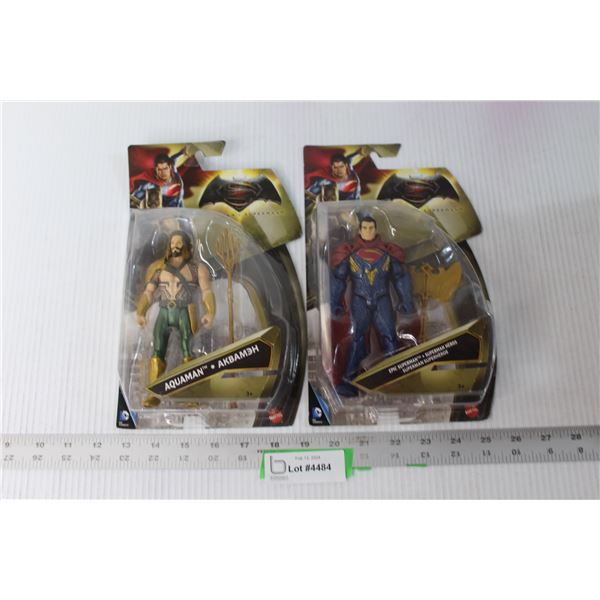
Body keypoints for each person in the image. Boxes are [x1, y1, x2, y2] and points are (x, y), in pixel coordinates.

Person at [330, 216, 416, 396]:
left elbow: (400, 277)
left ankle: (397, 379)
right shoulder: (350, 253)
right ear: (359, 230)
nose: (368, 231)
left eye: (371, 228)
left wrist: (407, 301)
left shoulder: (388, 253)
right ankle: (349, 381)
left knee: (390, 338)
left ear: (376, 230)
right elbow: (339, 278)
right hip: (359, 300)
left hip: (382, 299)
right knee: (357, 339)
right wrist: (334, 302)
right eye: (365, 228)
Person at [135, 231, 215, 406]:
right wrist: (140, 312)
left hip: (184, 311)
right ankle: (153, 394)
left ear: (187, 245)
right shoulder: (159, 269)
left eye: (179, 242)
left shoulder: (197, 269)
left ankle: (190, 394)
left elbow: (207, 291)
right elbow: (148, 293)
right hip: (164, 311)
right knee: (158, 349)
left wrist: (210, 312)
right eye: (172, 242)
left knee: (188, 350)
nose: (175, 246)